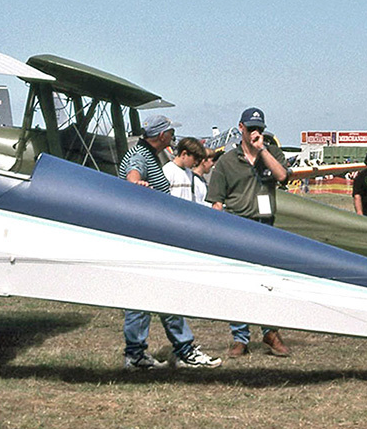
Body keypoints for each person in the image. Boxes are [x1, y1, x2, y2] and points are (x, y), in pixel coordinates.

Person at [117, 115, 221, 370]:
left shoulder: (149, 154)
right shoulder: (140, 156)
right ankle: (144, 354)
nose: (173, 136)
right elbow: (133, 173)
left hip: (151, 235)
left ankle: (167, 350)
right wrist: (136, 184)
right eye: (170, 132)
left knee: (161, 293)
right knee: (145, 296)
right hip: (145, 238)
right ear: (161, 135)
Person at [205, 107, 292, 358]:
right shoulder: (227, 161)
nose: (256, 132)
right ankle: (240, 337)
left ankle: (270, 333)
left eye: (260, 129)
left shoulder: (271, 152)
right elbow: (217, 201)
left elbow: (283, 176)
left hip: (265, 227)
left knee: (268, 282)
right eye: (251, 128)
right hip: (237, 226)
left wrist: (263, 150)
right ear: (240, 128)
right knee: (239, 284)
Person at [163, 136, 206, 202]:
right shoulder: (168, 171)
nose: (196, 163)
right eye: (195, 159)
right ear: (184, 154)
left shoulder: (189, 173)